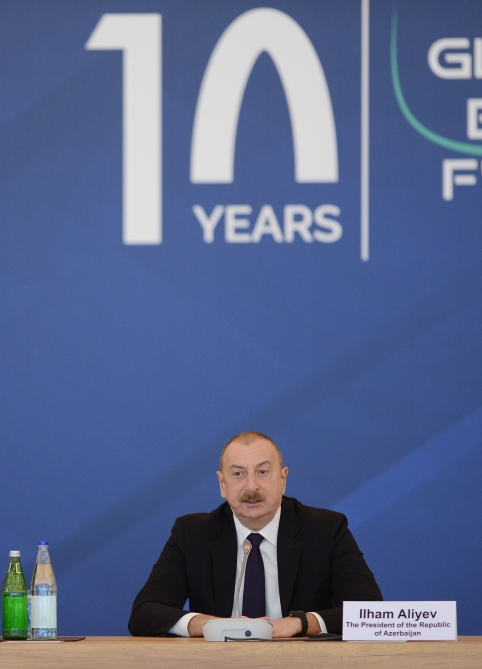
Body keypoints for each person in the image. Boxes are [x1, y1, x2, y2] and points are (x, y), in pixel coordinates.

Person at [128, 432, 382, 638]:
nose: (251, 486)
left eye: (262, 472)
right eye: (238, 474)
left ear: (283, 479)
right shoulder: (192, 534)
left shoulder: (326, 529)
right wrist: (210, 625)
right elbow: (144, 613)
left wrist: (301, 623)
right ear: (222, 484)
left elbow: (370, 612)